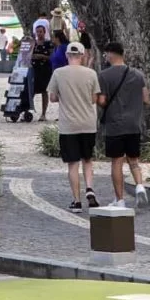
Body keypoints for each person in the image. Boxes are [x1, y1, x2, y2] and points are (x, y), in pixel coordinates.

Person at [95, 40, 150, 205]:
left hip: (115, 125)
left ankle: (120, 200)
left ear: (110, 54)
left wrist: (97, 100)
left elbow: (103, 101)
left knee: (117, 162)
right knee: (134, 160)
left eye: (105, 54)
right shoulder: (138, 74)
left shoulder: (104, 75)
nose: (105, 57)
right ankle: (140, 185)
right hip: (134, 124)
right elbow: (146, 99)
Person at [52, 41, 103, 210]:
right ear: (82, 56)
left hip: (68, 125)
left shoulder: (58, 73)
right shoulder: (91, 74)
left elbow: (52, 98)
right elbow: (94, 99)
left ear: (67, 55)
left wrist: (65, 97)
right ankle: (90, 188)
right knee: (87, 160)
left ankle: (76, 200)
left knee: (73, 164)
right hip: (88, 123)